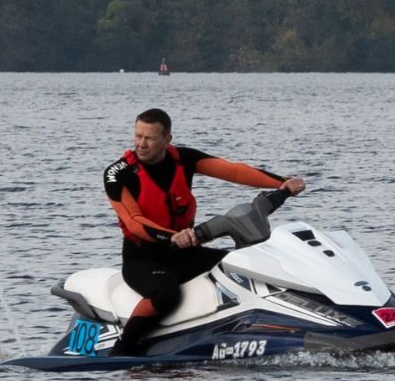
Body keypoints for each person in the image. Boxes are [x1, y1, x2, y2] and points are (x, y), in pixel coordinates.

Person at [102, 108, 305, 356]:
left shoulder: (183, 159)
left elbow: (233, 171)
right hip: (143, 259)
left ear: (167, 140)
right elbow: (134, 222)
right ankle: (122, 349)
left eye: (150, 138)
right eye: (138, 136)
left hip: (185, 252)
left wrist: (281, 182)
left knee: (243, 267)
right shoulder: (117, 174)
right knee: (166, 294)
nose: (141, 144)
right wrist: (171, 236)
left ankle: (281, 329)